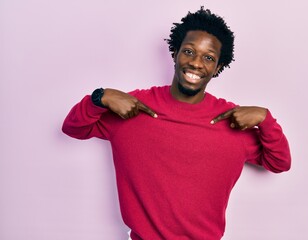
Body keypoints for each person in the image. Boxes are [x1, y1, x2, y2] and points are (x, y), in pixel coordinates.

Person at [62, 6, 291, 240]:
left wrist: (265, 119)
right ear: (175, 53)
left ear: (218, 68)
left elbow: (279, 162)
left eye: (208, 58)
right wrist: (101, 97)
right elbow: (73, 127)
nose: (196, 63)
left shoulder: (231, 120)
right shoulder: (133, 107)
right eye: (189, 51)